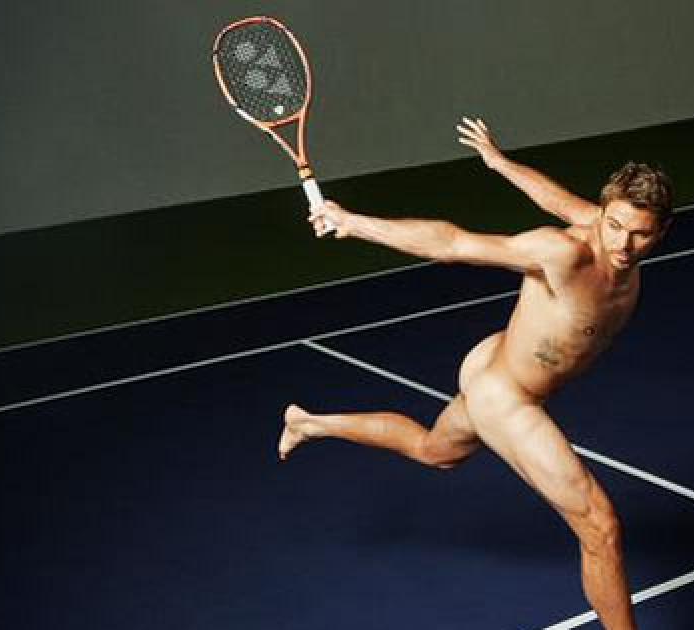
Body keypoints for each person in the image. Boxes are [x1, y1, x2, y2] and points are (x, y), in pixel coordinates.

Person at [279, 117, 673, 630]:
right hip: (506, 396)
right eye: (614, 226)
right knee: (600, 527)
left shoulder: (610, 230)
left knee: (433, 451)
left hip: (495, 364)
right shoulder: (563, 253)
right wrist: (353, 222)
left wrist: (500, 162)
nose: (622, 244)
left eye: (639, 235)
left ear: (661, 232)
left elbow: (557, 199)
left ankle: (307, 423)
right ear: (604, 216)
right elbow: (453, 243)